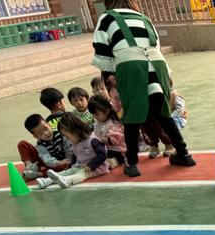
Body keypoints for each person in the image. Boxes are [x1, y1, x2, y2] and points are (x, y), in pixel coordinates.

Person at [91, 0, 196, 177]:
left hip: (130, 65)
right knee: (163, 112)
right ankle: (184, 154)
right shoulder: (143, 18)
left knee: (132, 116)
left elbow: (102, 51)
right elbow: (156, 44)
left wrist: (111, 75)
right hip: (158, 64)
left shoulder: (107, 18)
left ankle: (132, 163)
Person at [36, 113, 110, 189]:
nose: (68, 139)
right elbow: (75, 155)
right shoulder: (75, 142)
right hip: (81, 165)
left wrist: (91, 165)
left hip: (96, 167)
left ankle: (68, 180)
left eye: (68, 136)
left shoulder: (92, 140)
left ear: (75, 131)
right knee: (69, 171)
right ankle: (48, 180)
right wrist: (71, 166)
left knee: (82, 174)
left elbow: (102, 155)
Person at [22, 114, 72, 181]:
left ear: (49, 125)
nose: (46, 133)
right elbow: (47, 160)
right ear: (36, 136)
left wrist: (67, 161)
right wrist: (59, 163)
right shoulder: (40, 144)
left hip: (61, 162)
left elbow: (69, 149)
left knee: (62, 167)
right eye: (41, 133)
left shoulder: (61, 134)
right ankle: (31, 167)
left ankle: (37, 174)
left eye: (46, 129)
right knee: (22, 144)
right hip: (49, 161)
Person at [89, 94, 127, 167]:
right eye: (93, 115)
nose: (95, 117)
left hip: (117, 151)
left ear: (106, 111)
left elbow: (112, 141)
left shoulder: (114, 124)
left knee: (108, 155)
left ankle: (112, 162)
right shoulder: (97, 123)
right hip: (105, 149)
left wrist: (97, 139)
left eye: (97, 114)